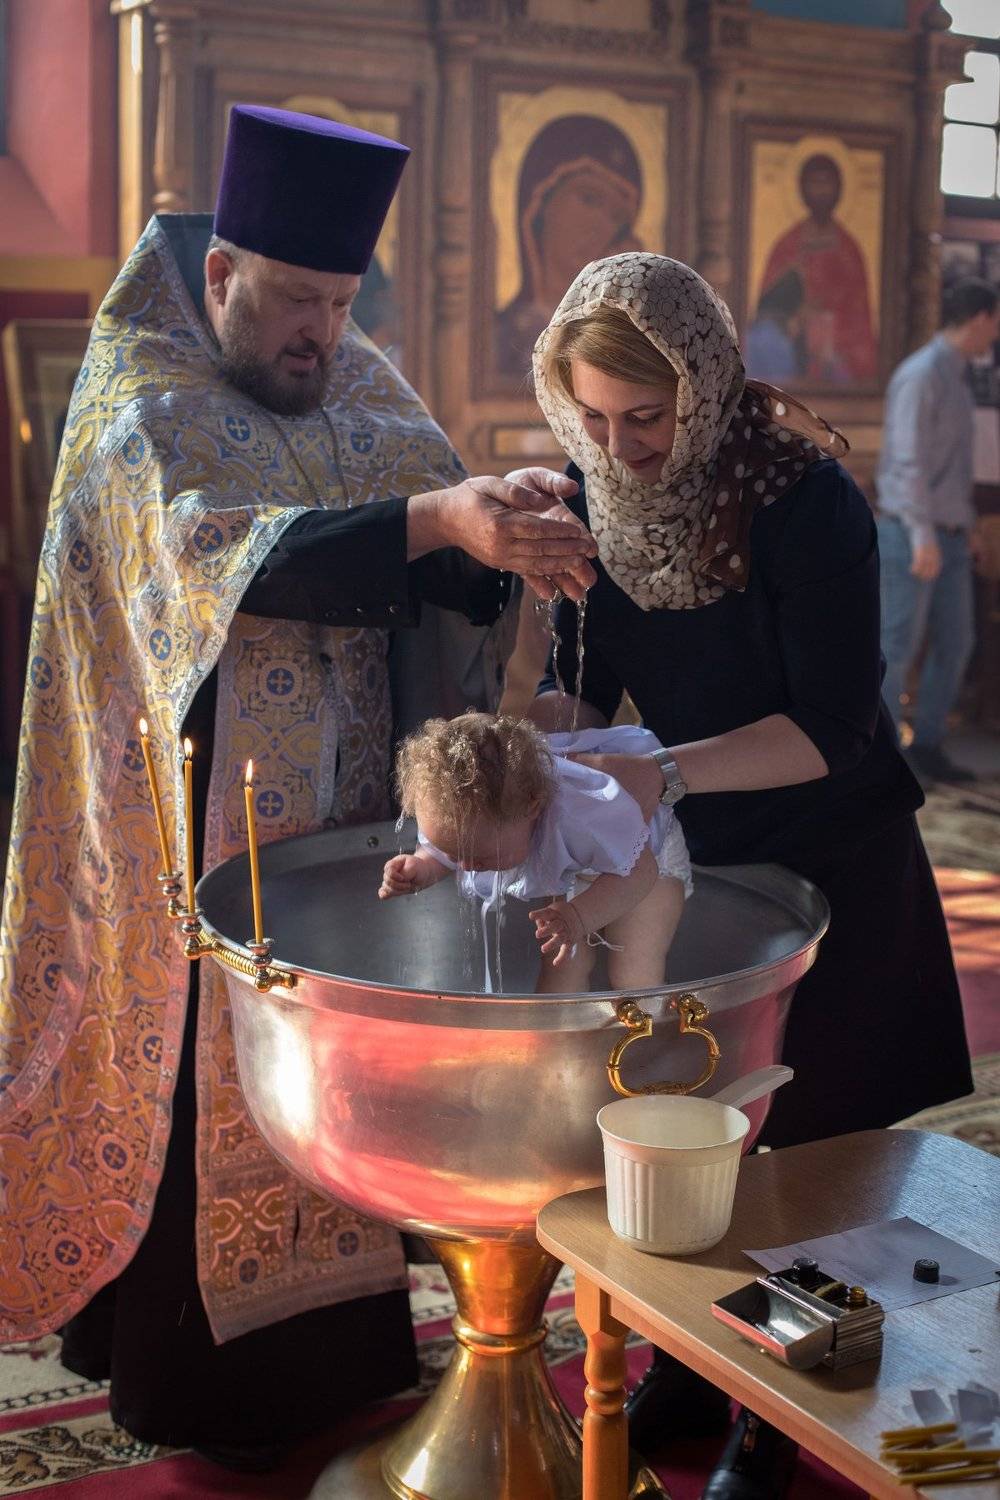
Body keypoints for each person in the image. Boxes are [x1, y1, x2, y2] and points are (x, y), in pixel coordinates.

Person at [0, 104, 597, 1469]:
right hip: (185, 817)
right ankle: (180, 1373)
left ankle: (341, 1351)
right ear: (222, 277)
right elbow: (212, 559)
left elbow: (427, 536)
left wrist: (493, 529)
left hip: (341, 804)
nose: (318, 334)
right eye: (291, 302)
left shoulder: (360, 386)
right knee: (204, 1067)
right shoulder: (143, 397)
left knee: (339, 1051)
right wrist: (433, 521)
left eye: (337, 303)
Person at [527, 252, 973, 1498]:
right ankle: (687, 1368)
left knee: (813, 1159)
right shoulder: (591, 497)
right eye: (594, 420)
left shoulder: (802, 500)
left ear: (705, 383)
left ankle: (772, 1422)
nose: (622, 452)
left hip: (832, 861)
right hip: (701, 873)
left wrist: (659, 773)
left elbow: (834, 727)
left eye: (647, 419)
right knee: (693, 1138)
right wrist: (545, 752)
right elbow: (582, 682)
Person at [379, 713, 690, 991]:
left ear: (533, 808)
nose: (468, 867)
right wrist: (425, 865)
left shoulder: (581, 815)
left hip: (645, 865)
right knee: (560, 971)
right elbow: (450, 846)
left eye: (481, 857)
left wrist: (578, 917)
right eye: (453, 853)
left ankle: (648, 1032)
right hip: (580, 863)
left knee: (634, 973)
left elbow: (640, 871)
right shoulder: (480, 819)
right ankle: (558, 1036)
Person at [876, 276, 1000, 786]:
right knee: (897, 646)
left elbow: (950, 469)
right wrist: (924, 535)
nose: (995, 334)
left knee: (956, 642)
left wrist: (965, 529)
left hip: (948, 533)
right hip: (911, 534)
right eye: (995, 323)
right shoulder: (921, 374)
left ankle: (926, 745)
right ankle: (883, 757)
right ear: (981, 318)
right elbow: (906, 462)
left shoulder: (957, 375)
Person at [494, 114, 643, 378]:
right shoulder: (500, 336)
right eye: (589, 199)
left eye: (616, 217)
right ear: (540, 201)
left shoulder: (617, 343)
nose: (600, 227)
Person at [758, 152, 877, 385]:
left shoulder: (849, 249)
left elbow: (860, 318)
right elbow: (766, 310)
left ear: (839, 189)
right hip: (793, 353)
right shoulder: (788, 245)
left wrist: (831, 331)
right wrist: (798, 316)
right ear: (802, 189)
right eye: (814, 182)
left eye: (827, 183)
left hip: (839, 353)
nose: (821, 191)